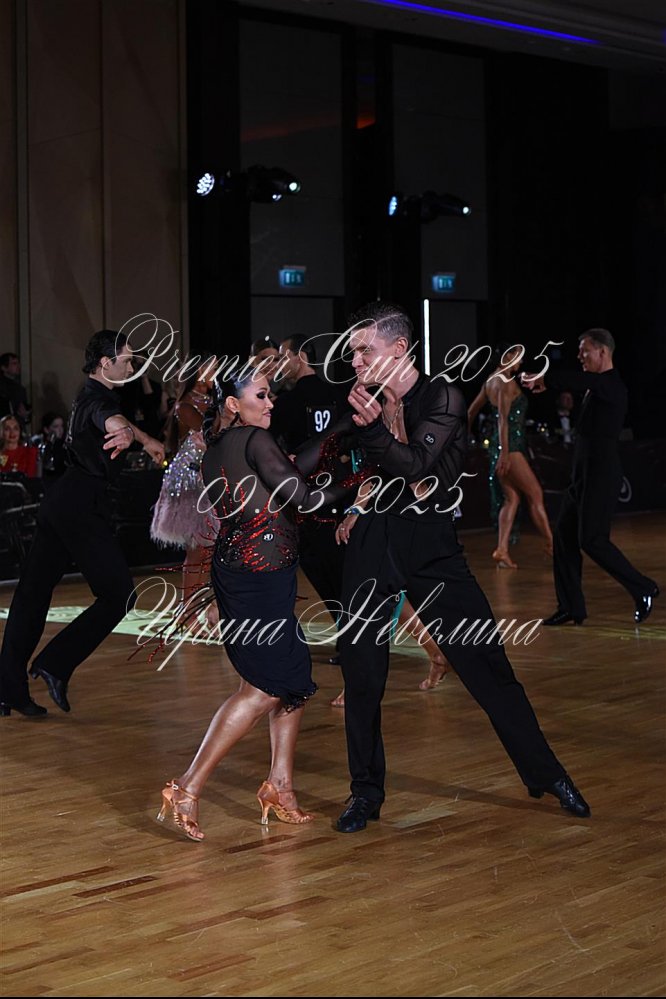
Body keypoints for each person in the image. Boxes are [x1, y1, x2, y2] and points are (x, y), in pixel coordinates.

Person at [331, 302, 590, 833]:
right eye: (353, 351)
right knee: (362, 675)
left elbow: (417, 467)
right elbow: (368, 470)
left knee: (487, 667)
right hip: (374, 545)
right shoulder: (365, 401)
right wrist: (354, 503)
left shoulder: (442, 396)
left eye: (363, 350)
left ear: (398, 349)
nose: (353, 360)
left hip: (431, 550)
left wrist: (374, 431)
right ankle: (365, 794)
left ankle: (547, 774)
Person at [157, 371, 363, 841]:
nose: (271, 403)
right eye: (261, 395)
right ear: (233, 403)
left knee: (293, 681)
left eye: (272, 395)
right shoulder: (253, 439)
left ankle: (280, 787)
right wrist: (358, 482)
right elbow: (304, 496)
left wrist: (340, 428)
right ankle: (186, 786)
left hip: (252, 575)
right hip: (257, 580)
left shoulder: (224, 445)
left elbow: (291, 464)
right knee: (265, 688)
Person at [0, 330, 165, 717]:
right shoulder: (99, 400)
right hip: (79, 507)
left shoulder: (92, 393)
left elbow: (116, 418)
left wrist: (142, 439)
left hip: (61, 501)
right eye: (126, 359)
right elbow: (111, 419)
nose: (131, 366)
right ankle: (55, 664)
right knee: (119, 595)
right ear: (106, 363)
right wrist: (125, 432)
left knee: (32, 594)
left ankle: (8, 689)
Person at [521, 328, 659, 625]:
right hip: (582, 476)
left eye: (585, 351)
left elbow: (578, 380)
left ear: (602, 352)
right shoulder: (596, 387)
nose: (580, 356)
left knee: (593, 540)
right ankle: (571, 607)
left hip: (602, 474)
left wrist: (545, 379)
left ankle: (643, 587)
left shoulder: (611, 385)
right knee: (564, 538)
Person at [467, 344, 553, 569]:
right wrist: (504, 454)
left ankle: (502, 549)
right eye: (518, 357)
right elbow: (503, 420)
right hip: (510, 449)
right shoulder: (505, 382)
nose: (521, 362)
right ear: (507, 356)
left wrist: (464, 437)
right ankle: (552, 544)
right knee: (535, 494)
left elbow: (471, 412)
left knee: (511, 499)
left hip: (499, 447)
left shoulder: (490, 380)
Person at [150, 355, 217, 603]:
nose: (216, 373)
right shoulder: (185, 406)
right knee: (198, 548)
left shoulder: (213, 401)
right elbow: (209, 434)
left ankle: (199, 605)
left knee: (209, 548)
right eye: (211, 369)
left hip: (207, 477)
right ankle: (188, 608)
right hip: (189, 480)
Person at [0, 352, 31, 425]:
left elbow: (24, 412)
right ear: (4, 367)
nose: (18, 366)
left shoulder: (20, 388)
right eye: (14, 363)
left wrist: (25, 415)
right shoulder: (2, 387)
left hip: (18, 426)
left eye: (18, 363)